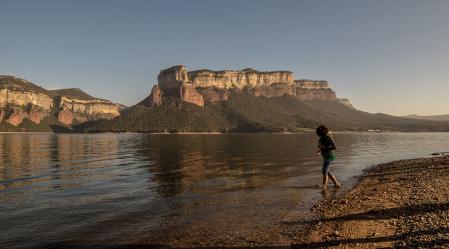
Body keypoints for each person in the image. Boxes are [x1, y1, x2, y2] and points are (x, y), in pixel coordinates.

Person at [316, 125, 340, 189]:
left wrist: (325, 148)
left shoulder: (328, 137)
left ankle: (324, 185)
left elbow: (334, 147)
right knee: (328, 171)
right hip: (326, 156)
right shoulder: (322, 138)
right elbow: (320, 146)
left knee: (324, 171)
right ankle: (336, 184)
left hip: (329, 156)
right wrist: (319, 150)